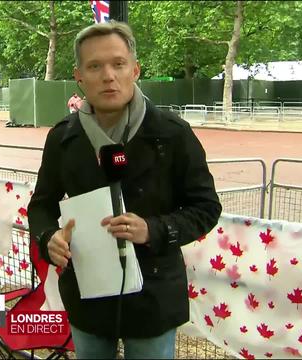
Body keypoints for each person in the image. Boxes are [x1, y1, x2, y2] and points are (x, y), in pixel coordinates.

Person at [27, 21, 221, 359]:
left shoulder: (173, 133)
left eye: (118, 64)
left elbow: (205, 207)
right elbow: (41, 206)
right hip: (87, 290)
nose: (108, 75)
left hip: (154, 294)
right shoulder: (62, 138)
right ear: (79, 76)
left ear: (135, 69)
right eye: (95, 66)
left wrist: (154, 229)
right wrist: (48, 239)